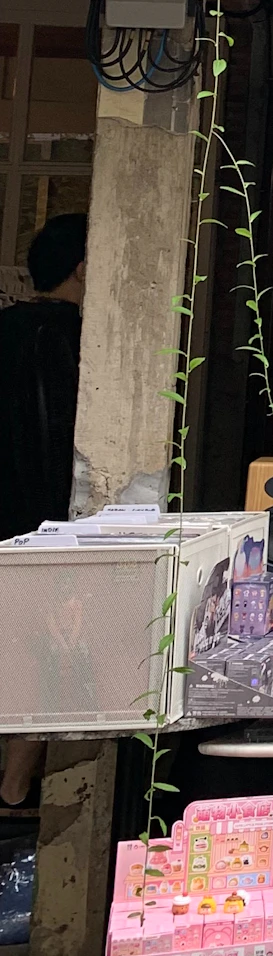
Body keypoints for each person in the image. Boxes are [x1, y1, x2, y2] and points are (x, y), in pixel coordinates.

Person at [0, 212, 86, 810]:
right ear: (85, 268)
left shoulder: (6, 328)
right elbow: (58, 440)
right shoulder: (69, 338)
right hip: (41, 522)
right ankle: (14, 786)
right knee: (44, 650)